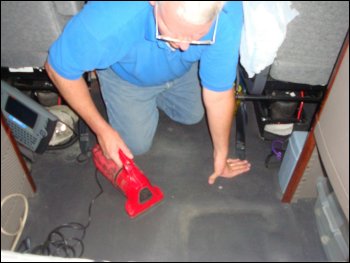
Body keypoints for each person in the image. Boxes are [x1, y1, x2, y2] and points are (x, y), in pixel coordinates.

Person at [45, 1, 251, 185]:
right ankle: (132, 92)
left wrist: (221, 155)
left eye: (196, 36)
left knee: (193, 115)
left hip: (180, 70)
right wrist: (102, 130)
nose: (184, 46)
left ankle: (159, 88)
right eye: (173, 32)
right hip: (125, 77)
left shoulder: (226, 11)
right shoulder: (109, 18)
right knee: (136, 145)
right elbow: (58, 69)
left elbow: (219, 95)